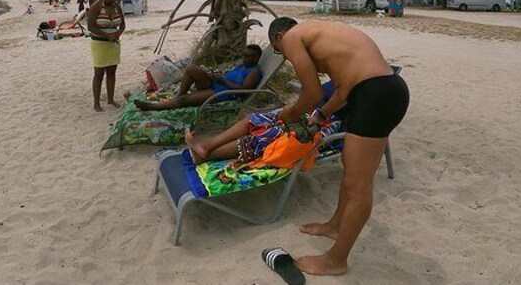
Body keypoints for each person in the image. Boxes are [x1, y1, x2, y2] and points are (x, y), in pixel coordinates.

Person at [266, 17, 408, 276]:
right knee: (351, 172)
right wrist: (321, 115)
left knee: (359, 185)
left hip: (377, 95)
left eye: (280, 53)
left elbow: (312, 94)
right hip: (378, 91)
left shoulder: (291, 37)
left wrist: (290, 114)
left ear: (278, 38)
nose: (285, 56)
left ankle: (337, 259)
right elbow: (342, 91)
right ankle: (335, 225)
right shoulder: (321, 36)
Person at [185, 79, 346, 164]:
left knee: (267, 134)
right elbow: (311, 99)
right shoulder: (338, 79)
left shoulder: (354, 89)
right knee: (255, 119)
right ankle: (208, 145)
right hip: (307, 116)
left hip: (322, 130)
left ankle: (206, 156)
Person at [134, 45, 263, 111]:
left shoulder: (254, 72)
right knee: (192, 69)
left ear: (256, 58)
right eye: (244, 55)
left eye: (249, 56)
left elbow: (244, 90)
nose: (245, 58)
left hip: (222, 93)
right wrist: (217, 76)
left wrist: (223, 80)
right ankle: (179, 97)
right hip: (218, 84)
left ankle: (153, 106)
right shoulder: (244, 65)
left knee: (185, 99)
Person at [87, 0, 125, 111]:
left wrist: (118, 33)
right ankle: (96, 103)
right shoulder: (96, 6)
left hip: (114, 45)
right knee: (99, 74)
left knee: (112, 73)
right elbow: (90, 26)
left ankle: (110, 99)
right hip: (99, 44)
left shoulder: (117, 7)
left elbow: (123, 25)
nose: (114, 0)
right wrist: (106, 35)